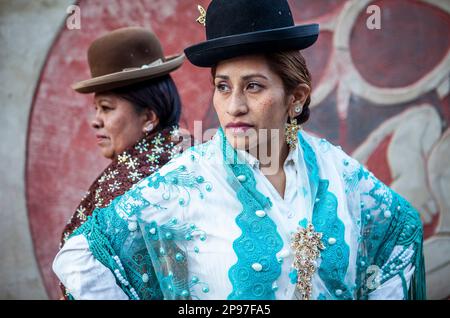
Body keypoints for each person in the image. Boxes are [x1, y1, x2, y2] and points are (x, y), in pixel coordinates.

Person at [54, 0, 426, 300]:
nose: (234, 107)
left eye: (253, 87)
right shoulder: (184, 183)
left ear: (294, 97)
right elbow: (83, 259)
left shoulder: (336, 171)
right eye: (222, 86)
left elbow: (400, 231)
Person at [54, 26, 186, 299]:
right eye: (96, 109)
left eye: (107, 107)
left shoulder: (131, 185)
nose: (95, 120)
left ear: (149, 117)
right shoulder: (181, 155)